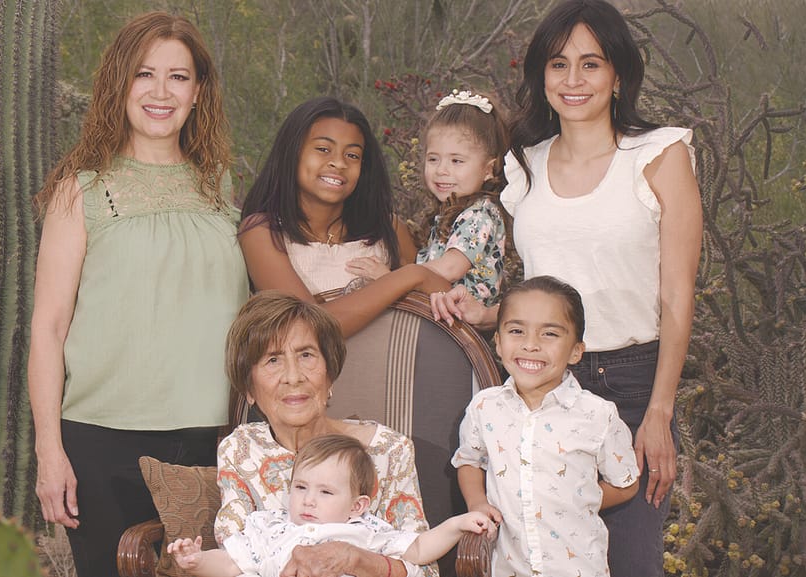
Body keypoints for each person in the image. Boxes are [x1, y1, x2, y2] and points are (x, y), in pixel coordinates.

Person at [432, 1, 702, 575]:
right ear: (542, 75)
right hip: (536, 383)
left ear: (618, 74)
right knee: (535, 558)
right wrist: (486, 312)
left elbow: (677, 297)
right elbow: (549, 285)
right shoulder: (523, 165)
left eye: (591, 64)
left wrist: (659, 410)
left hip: (632, 386)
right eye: (559, 64)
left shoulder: (660, 155)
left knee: (632, 563)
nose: (573, 80)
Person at [27, 11, 249, 577]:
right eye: (144, 74)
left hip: (212, 439)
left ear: (198, 92)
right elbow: (48, 329)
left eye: (178, 76)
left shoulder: (219, 185)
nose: (160, 92)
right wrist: (50, 452)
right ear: (118, 85)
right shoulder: (80, 190)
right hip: (102, 441)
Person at [215, 291, 436, 577]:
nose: (293, 376)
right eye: (273, 360)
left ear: (329, 375)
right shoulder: (241, 450)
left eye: (306, 355)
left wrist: (356, 560)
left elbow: (424, 570)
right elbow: (232, 561)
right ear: (249, 389)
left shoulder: (388, 450)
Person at [452, 275, 639, 577]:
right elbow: (469, 460)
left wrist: (578, 499)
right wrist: (477, 502)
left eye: (549, 334)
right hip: (508, 568)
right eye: (516, 331)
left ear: (576, 350)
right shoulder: (485, 407)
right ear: (498, 341)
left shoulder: (597, 415)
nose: (530, 345)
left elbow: (625, 483)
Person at [239, 97, 449, 337]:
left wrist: (416, 278)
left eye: (352, 155)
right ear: (292, 152)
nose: (339, 163)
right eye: (323, 149)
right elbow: (309, 328)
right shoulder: (262, 233)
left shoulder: (388, 229)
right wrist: (411, 276)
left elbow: (448, 298)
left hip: (398, 361)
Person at [170, 434, 496, 577]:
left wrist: (457, 525)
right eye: (300, 487)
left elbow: (419, 549)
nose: (308, 499)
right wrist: (197, 561)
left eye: (326, 492)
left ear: (357, 506)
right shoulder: (269, 526)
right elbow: (230, 564)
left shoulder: (365, 530)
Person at [353, 89, 509, 308]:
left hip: (463, 319)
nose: (442, 170)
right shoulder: (454, 211)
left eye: (456, 161)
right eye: (433, 159)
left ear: (488, 169)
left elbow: (451, 268)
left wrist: (391, 279)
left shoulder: (480, 214)